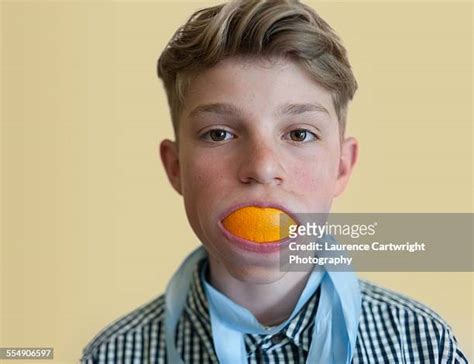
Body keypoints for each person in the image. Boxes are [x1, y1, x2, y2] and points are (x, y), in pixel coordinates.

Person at [81, 0, 468, 363]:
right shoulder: (113, 354)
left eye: (299, 134)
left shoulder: (421, 344)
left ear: (342, 167)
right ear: (176, 166)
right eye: (219, 134)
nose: (263, 167)